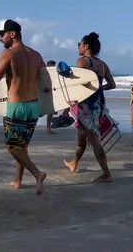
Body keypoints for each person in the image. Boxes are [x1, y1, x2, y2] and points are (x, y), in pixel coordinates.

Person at [0, 19, 47, 195]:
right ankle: (18, 180)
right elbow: (46, 83)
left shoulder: (8, 55)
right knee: (23, 146)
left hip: (16, 107)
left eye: (1, 35)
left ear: (12, 34)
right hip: (33, 107)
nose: (0, 39)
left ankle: (37, 173)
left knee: (13, 147)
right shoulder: (36, 55)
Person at [63, 32, 116, 183]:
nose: (78, 47)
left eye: (79, 44)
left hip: (85, 106)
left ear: (86, 46)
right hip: (97, 104)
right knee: (81, 139)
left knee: (93, 141)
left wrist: (68, 105)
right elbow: (112, 85)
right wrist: (98, 89)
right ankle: (73, 164)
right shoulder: (103, 65)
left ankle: (107, 174)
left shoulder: (82, 61)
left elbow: (78, 85)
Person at [45, 60, 57, 134]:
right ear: (48, 65)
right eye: (51, 64)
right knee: (49, 111)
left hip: (53, 93)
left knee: (51, 112)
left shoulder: (55, 73)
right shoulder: (44, 72)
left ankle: (48, 127)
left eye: (53, 64)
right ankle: (48, 127)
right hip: (45, 94)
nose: (53, 66)